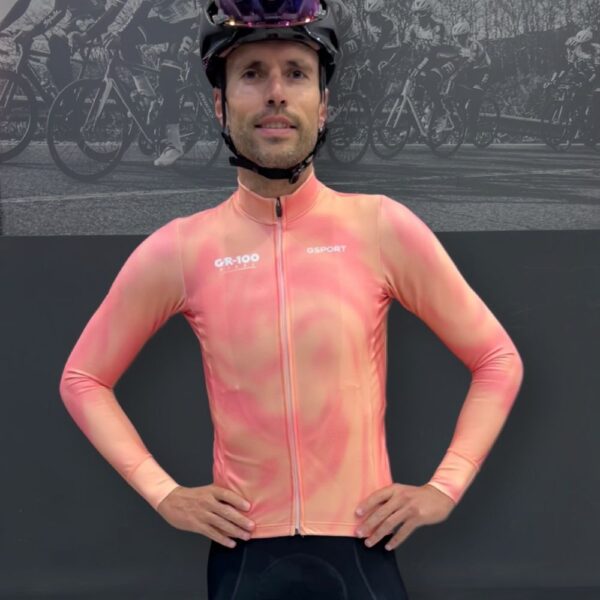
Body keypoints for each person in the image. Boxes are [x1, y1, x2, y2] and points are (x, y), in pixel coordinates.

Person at [58, 0, 525, 598]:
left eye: (296, 73)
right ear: (221, 103)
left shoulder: (380, 227)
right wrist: (163, 493)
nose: (276, 92)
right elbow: (83, 378)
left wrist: (445, 487)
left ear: (323, 105)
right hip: (245, 557)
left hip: (361, 550)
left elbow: (497, 359)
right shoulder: (182, 248)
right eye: (252, 73)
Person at [74, 0, 202, 167]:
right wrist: (87, 36)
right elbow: (113, 10)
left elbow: (142, 10)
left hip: (188, 24)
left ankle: (174, 145)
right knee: (125, 41)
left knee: (167, 80)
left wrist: (120, 34)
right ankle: (148, 96)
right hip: (166, 22)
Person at [0, 0, 117, 90]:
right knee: (52, 61)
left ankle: (71, 107)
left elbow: (59, 11)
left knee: (56, 41)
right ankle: (64, 100)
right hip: (78, 17)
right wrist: (2, 26)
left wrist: (34, 30)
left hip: (94, 17)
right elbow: (22, 4)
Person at [449, 20, 492, 142]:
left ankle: (472, 130)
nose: (458, 39)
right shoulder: (457, 47)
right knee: (458, 100)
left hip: (484, 71)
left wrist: (457, 73)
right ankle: (464, 125)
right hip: (471, 73)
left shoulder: (474, 45)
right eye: (455, 37)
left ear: (466, 35)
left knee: (474, 100)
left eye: (460, 37)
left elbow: (469, 62)